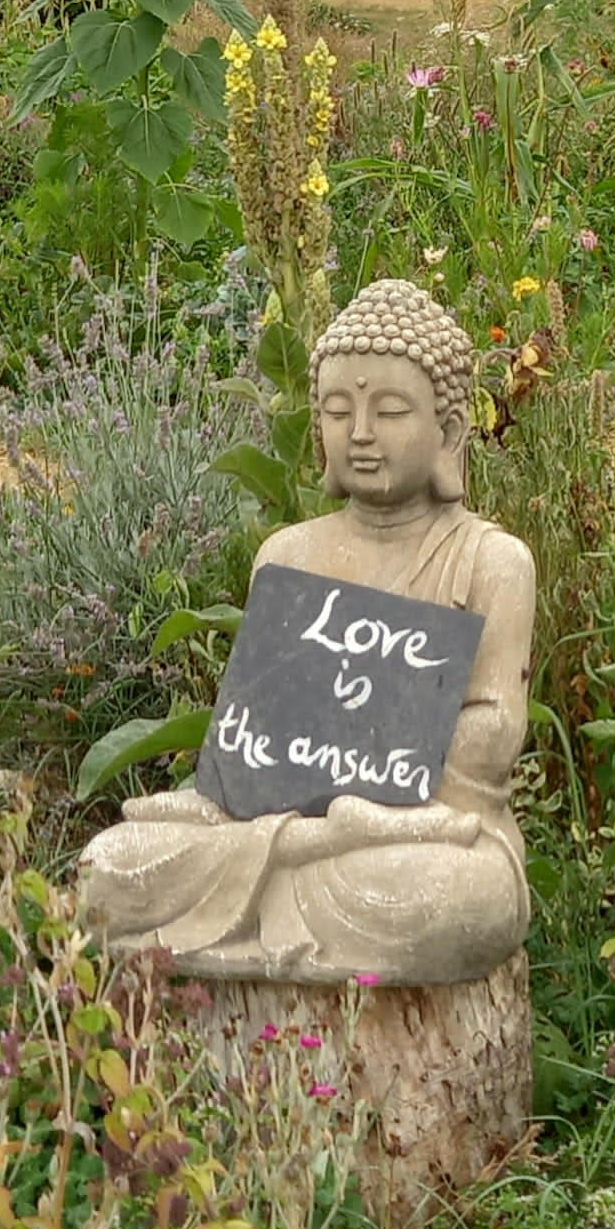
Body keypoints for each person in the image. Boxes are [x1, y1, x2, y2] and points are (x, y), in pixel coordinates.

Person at [79, 280, 536, 984]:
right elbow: (256, 731)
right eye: (335, 411)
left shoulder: (491, 561)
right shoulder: (287, 555)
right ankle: (281, 881)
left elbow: (492, 739)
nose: (358, 433)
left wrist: (365, 780)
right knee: (109, 867)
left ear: (448, 433)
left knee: (451, 899)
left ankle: (277, 896)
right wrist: (293, 803)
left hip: (421, 838)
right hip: (273, 831)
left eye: (388, 412)